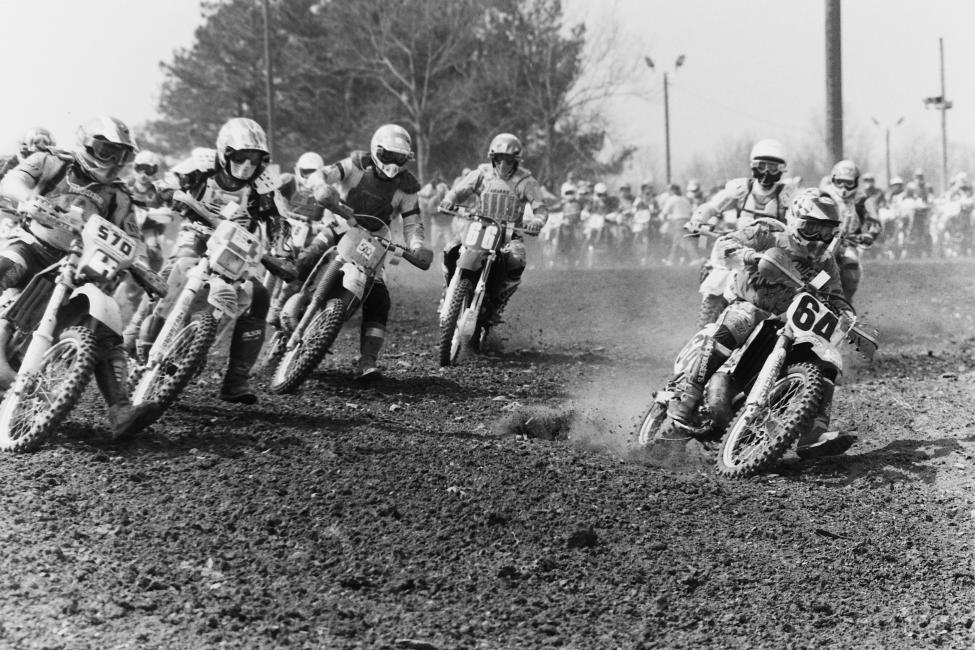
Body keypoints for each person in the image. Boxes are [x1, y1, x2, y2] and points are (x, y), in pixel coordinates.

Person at [668, 188, 857, 459]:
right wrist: (751, 256)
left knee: (827, 355)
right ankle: (689, 392)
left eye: (827, 232)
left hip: (785, 325)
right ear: (795, 220)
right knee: (745, 316)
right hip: (747, 306)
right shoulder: (768, 233)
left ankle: (812, 431)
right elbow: (724, 245)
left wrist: (847, 315)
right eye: (812, 228)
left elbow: (836, 295)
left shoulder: (825, 263)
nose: (818, 238)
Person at [0, 116, 152, 437]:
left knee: (104, 328)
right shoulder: (51, 161)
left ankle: (120, 410)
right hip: (33, 244)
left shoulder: (119, 196)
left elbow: (134, 240)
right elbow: (12, 180)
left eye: (121, 155)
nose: (112, 161)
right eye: (105, 150)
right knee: (7, 264)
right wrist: (27, 197)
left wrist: (144, 268)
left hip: (78, 265)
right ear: (86, 143)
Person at [136, 117, 287, 404]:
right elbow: (169, 181)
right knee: (176, 270)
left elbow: (279, 220)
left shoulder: (264, 183)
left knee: (259, 296)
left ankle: (236, 381)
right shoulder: (202, 164)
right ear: (225, 152)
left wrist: (282, 252)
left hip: (237, 246)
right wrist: (172, 192)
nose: (246, 165)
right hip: (197, 233)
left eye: (254, 159)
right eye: (240, 157)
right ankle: (146, 336)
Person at [284, 123, 433, 380]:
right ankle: (280, 306)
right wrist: (321, 187)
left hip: (375, 240)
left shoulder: (407, 188)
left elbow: (413, 223)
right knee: (308, 257)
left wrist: (417, 245)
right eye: (388, 155)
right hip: (340, 224)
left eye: (400, 158)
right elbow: (322, 174)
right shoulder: (354, 164)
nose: (393, 163)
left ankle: (367, 361)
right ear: (376, 151)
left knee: (380, 298)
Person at [439, 132, 547, 332]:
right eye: (499, 158)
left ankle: (498, 301)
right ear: (492, 157)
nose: (503, 164)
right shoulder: (482, 173)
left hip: (508, 233)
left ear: (516, 160)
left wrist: (537, 221)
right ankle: (449, 289)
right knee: (450, 248)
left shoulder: (526, 180)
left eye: (508, 159)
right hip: (477, 227)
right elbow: (460, 190)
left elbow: (540, 207)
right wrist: (449, 200)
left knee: (516, 259)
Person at [687, 139, 797, 327]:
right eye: (761, 166)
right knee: (715, 277)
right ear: (753, 165)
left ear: (781, 169)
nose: (766, 173)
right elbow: (714, 205)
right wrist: (698, 219)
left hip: (772, 253)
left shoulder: (787, 193)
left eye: (772, 167)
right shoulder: (740, 188)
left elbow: (796, 217)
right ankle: (705, 328)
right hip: (739, 246)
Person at [822, 160, 881, 302]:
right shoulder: (824, 195)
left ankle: (845, 304)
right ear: (833, 179)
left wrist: (869, 235)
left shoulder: (862, 199)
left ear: (855, 182)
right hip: (823, 240)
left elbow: (875, 222)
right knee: (818, 268)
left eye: (848, 183)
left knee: (851, 272)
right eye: (840, 181)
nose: (843, 187)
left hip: (849, 242)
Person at [660, 183, 695, 265]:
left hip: (679, 221)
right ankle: (671, 260)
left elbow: (665, 212)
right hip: (687, 221)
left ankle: (695, 258)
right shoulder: (684, 199)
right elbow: (690, 212)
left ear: (672, 191)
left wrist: (664, 222)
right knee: (676, 242)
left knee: (686, 241)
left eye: (670, 190)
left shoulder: (672, 199)